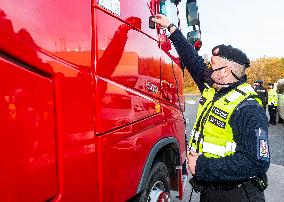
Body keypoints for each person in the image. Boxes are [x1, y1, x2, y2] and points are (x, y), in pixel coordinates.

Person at [152, 14, 270, 202]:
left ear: (224, 71)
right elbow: (191, 59)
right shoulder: (212, 87)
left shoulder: (247, 107)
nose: (206, 67)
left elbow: (256, 163)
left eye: (212, 65)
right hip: (211, 189)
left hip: (237, 195)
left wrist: (201, 166)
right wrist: (171, 28)